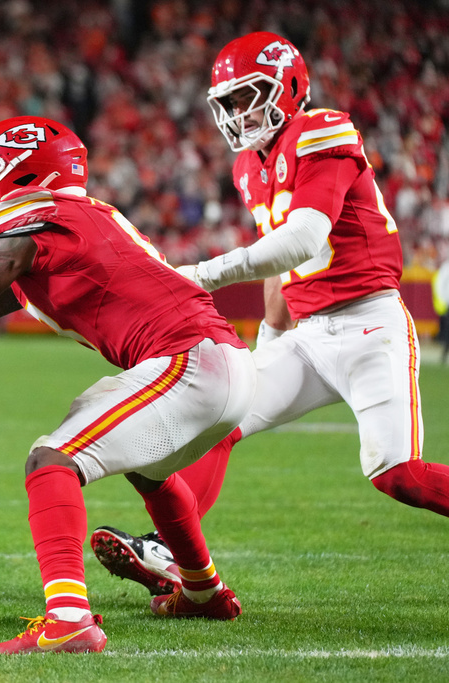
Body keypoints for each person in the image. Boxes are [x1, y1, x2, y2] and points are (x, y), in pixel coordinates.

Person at [0, 115, 257, 654]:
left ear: (27, 174)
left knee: (52, 461)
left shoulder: (44, 217)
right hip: (212, 362)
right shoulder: (66, 227)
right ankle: (204, 592)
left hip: (189, 360)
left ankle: (68, 621)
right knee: (151, 473)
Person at [94, 31, 449, 597]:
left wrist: (201, 274)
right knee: (222, 417)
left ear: (289, 85)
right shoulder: (248, 166)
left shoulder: (323, 128)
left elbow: (303, 240)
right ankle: (172, 553)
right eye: (229, 102)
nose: (239, 112)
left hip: (369, 325)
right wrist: (266, 346)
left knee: (397, 475)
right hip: (306, 335)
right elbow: (281, 270)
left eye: (249, 95)